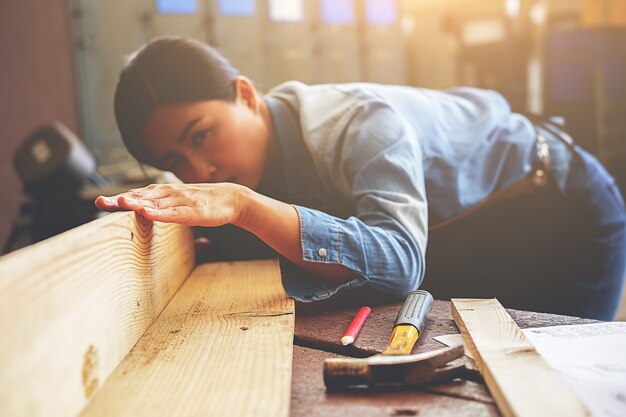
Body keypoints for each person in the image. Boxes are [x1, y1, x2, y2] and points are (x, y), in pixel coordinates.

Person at [96, 36, 626, 320]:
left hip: (563, 209)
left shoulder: (354, 123)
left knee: (562, 378)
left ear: (245, 94)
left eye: (201, 135)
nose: (200, 171)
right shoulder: (250, 162)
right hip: (481, 230)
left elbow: (398, 262)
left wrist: (244, 206)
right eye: (176, 159)